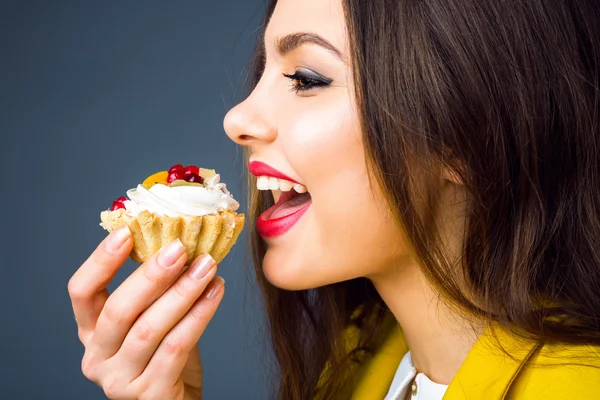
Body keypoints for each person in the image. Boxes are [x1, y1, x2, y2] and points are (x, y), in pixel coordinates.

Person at [68, 0, 600, 399]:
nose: (237, 119)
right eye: (263, 75)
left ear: (467, 136)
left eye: (306, 77)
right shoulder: (352, 364)